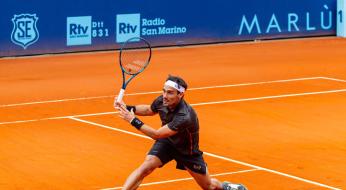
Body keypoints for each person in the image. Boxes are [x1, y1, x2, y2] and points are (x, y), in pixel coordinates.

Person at [115, 75, 247, 190]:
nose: (165, 96)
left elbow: (157, 134)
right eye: (164, 91)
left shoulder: (185, 116)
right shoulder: (162, 100)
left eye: (170, 93)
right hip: (167, 143)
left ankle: (227, 187)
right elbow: (149, 110)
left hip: (186, 151)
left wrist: (133, 120)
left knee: (209, 187)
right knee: (146, 167)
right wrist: (126, 107)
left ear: (180, 95)